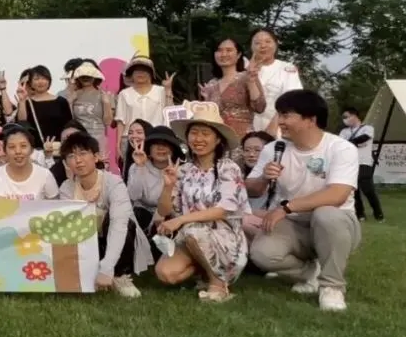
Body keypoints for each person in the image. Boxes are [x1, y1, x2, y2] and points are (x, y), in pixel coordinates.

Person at [247, 89, 362, 312]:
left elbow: (337, 195)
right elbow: (251, 190)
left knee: (326, 213)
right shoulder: (273, 148)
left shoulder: (341, 148)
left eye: (286, 115)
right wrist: (263, 178)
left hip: (337, 224)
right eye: (279, 114)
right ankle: (310, 274)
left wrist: (286, 208)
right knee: (262, 254)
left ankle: (332, 287)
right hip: (293, 224)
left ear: (311, 120)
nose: (280, 122)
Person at [155, 102, 248, 303]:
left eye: (205, 134)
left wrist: (181, 220)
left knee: (192, 230)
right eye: (194, 133)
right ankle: (204, 270)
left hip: (223, 238)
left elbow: (223, 210)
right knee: (165, 273)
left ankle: (218, 283)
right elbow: (164, 210)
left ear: (217, 139)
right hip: (190, 237)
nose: (198, 139)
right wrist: (168, 186)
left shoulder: (228, 168)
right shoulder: (183, 170)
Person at [58, 132, 152, 298]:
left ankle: (120, 274)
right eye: (71, 156)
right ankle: (90, 272)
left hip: (118, 239)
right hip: (88, 240)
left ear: (96, 157)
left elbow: (119, 225)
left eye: (83, 153)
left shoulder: (113, 183)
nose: (78, 160)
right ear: (66, 163)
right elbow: (69, 229)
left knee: (121, 222)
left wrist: (107, 268)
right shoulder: (66, 188)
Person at [114, 56, 174, 158]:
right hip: (131, 140)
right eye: (136, 71)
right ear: (131, 74)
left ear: (151, 74)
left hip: (156, 138)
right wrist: (118, 145)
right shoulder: (124, 94)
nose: (140, 73)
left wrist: (168, 89)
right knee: (131, 167)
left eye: (144, 70)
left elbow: (170, 112)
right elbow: (120, 121)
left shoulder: (161, 91)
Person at [249, 28, 303, 135]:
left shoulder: (287, 68)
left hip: (278, 128)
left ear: (276, 44)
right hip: (248, 128)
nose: (263, 46)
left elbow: (292, 99)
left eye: (268, 41)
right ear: (251, 46)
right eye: (257, 43)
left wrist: (274, 126)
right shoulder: (244, 69)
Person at [0, 126, 59, 200]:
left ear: (32, 150)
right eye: (12, 147)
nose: (18, 151)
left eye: (23, 146)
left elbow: (55, 204)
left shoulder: (45, 174)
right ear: (5, 151)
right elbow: (0, 204)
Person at [340, 107, 382, 222]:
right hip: (349, 164)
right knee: (354, 191)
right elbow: (341, 144)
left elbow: (363, 138)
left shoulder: (367, 128)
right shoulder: (344, 132)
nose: (345, 119)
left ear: (354, 116)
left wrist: (350, 142)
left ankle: (378, 213)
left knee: (368, 189)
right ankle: (360, 214)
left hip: (364, 163)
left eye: (346, 116)